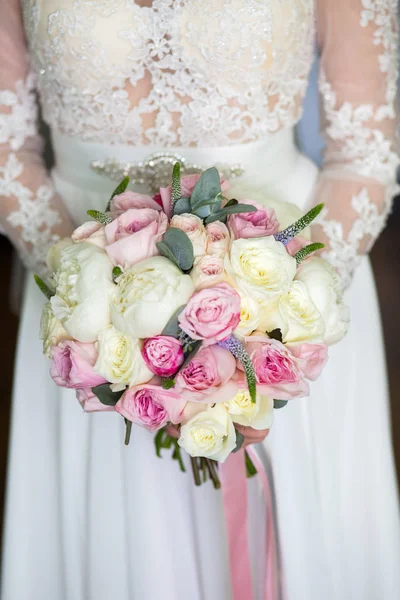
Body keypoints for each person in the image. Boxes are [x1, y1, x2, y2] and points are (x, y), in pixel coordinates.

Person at [1, 1, 399, 599]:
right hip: (86, 310)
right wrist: (94, 311)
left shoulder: (281, 313)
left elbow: (364, 152)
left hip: (283, 290)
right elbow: (8, 150)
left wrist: (279, 317)